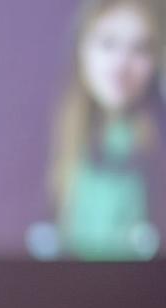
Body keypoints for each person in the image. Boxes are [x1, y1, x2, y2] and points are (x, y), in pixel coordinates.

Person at [49, 0, 164, 260]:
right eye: (108, 44)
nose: (121, 65)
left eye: (140, 49)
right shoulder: (57, 140)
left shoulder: (156, 145)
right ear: (82, 49)